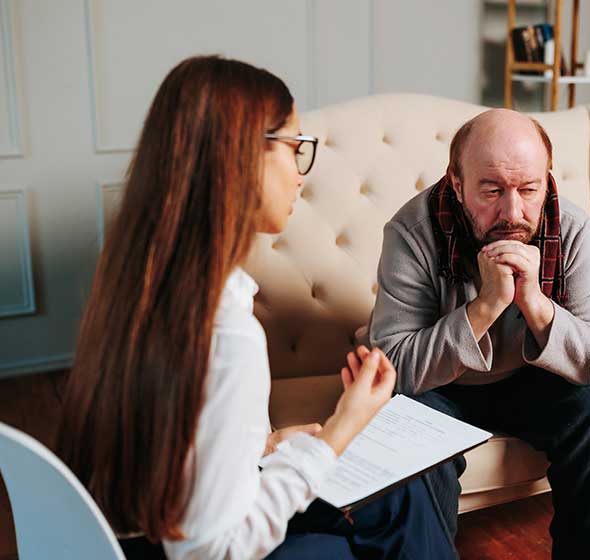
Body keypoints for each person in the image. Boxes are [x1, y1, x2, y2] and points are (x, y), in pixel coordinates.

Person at [56, 55, 455, 560]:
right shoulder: (226, 333)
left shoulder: (138, 283)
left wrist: (259, 448)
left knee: (402, 493)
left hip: (139, 534)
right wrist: (341, 427)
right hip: (204, 549)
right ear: (239, 158)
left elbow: (168, 446)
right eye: (294, 148)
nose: (300, 175)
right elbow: (214, 548)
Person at [369, 108, 590, 559]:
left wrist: (534, 302)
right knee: (408, 424)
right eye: (491, 190)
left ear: (547, 181)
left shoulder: (570, 227)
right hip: (441, 387)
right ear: (457, 182)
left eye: (529, 189)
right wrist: (486, 305)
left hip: (531, 379)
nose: (512, 212)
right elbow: (397, 368)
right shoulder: (411, 231)